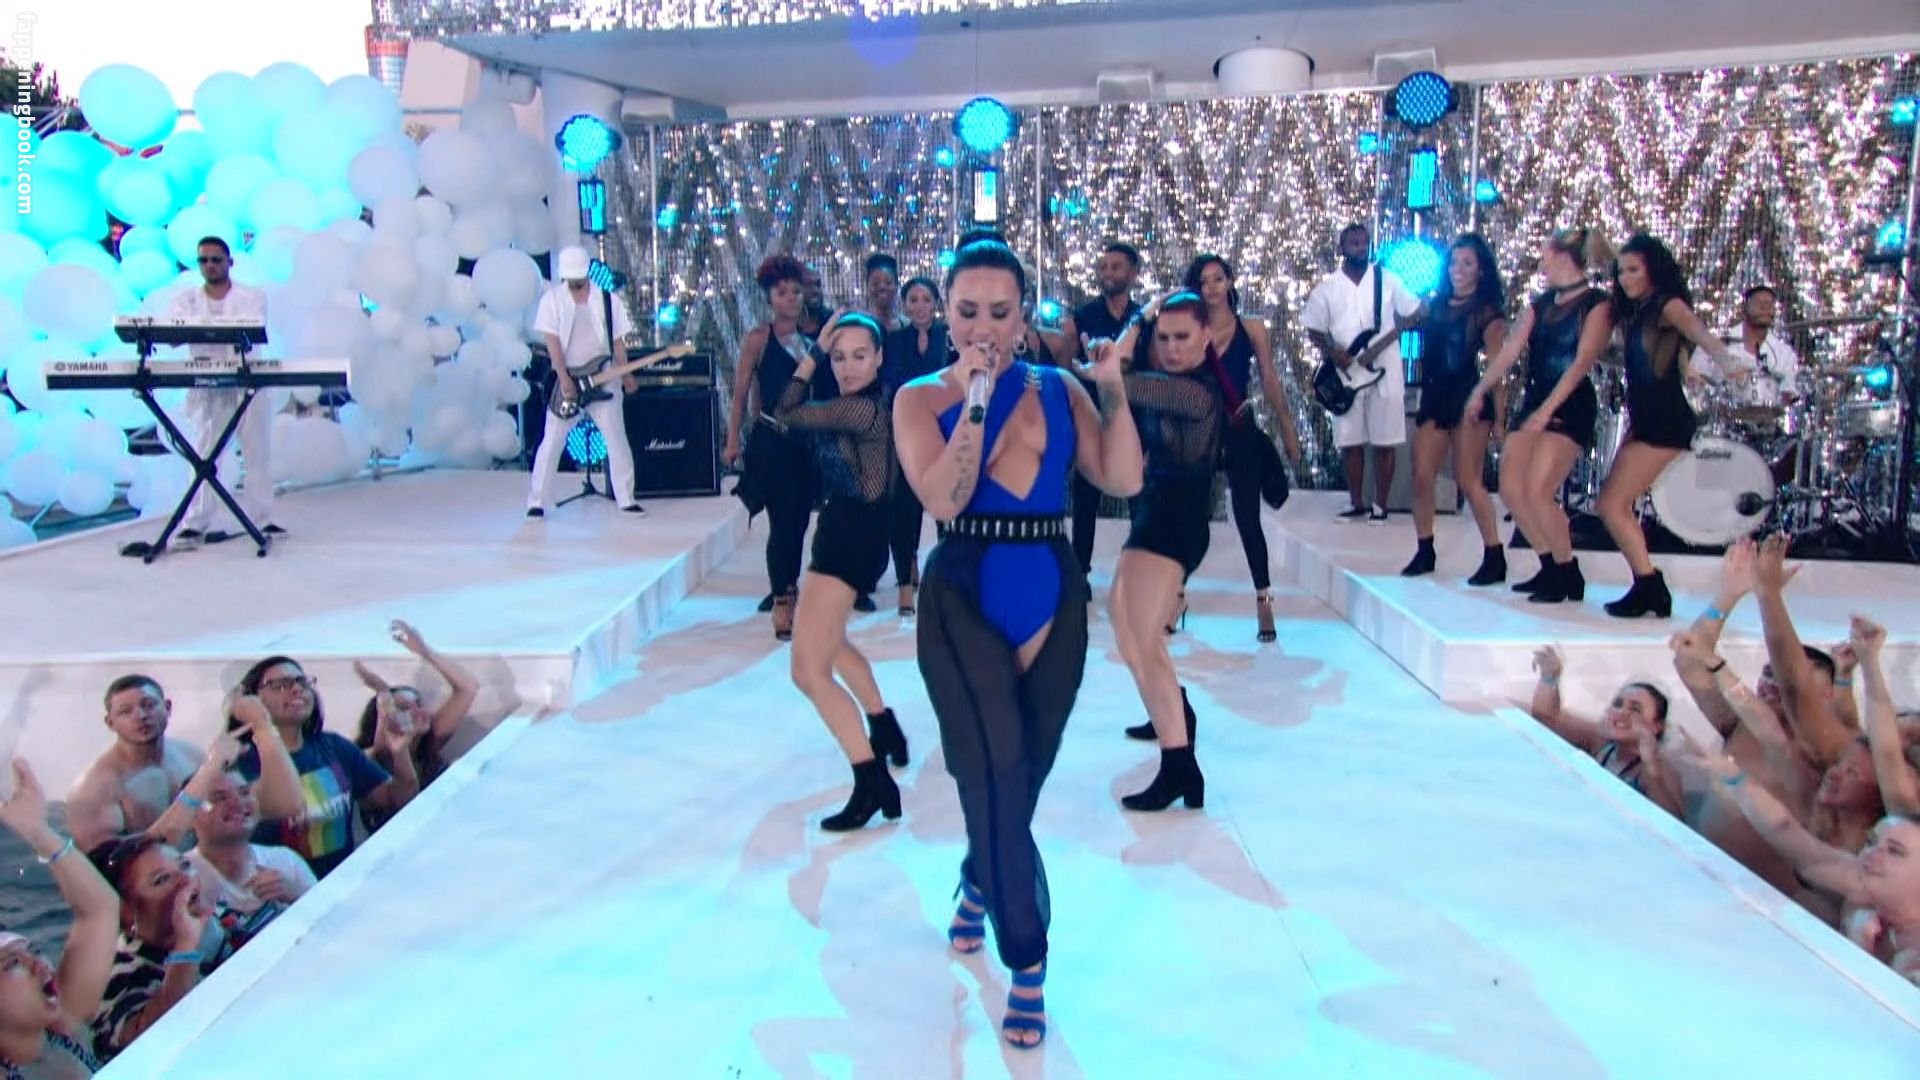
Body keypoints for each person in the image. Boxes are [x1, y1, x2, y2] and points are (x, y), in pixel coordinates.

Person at [893, 235, 1143, 1049]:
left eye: (1000, 312)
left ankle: (978, 880)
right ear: (945, 311)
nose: (983, 328)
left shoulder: (1059, 388)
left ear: (1023, 314)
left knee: (1022, 774)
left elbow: (1123, 478)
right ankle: (1027, 961)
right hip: (964, 590)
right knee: (993, 773)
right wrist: (974, 400)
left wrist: (1113, 390)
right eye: (968, 311)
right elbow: (945, 495)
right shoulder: (917, 399)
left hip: (1051, 588)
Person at [776, 313, 910, 830]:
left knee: (807, 671)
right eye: (838, 357)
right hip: (853, 532)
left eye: (859, 356)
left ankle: (871, 779)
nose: (848, 367)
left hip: (849, 539)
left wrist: (812, 354)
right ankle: (883, 725)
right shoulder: (877, 400)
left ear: (879, 357)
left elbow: (785, 411)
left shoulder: (859, 408)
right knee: (828, 644)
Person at [1102, 293, 1222, 810]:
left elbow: (1113, 376)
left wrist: (1140, 318)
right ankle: (1172, 710)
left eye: (1183, 338)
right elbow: (1117, 371)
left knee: (1143, 639)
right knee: (1127, 630)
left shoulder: (1195, 393)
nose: (1172, 348)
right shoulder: (1169, 384)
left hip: (1176, 523)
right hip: (1155, 514)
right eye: (1165, 338)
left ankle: (1180, 767)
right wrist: (1143, 321)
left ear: (1206, 338)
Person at [1464, 228, 1617, 605]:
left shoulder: (1597, 304)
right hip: (1535, 398)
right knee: (1512, 489)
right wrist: (1480, 389)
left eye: (1546, 253)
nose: (1541, 261)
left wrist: (1547, 411)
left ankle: (1566, 569)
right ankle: (1550, 565)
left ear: (1561, 256)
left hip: (1569, 403)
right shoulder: (1542, 303)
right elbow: (1510, 350)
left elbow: (1581, 363)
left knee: (1538, 490)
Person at [1594, 234, 1733, 618]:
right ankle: (1647, 585)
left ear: (1652, 271)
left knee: (1612, 505)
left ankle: (1650, 585)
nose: (1624, 278)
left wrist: (1726, 361)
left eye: (1633, 270)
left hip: (1664, 419)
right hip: (1647, 418)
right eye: (1621, 272)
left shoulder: (1667, 304)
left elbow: (1696, 330)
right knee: (1612, 504)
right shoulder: (1638, 311)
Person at [1186, 254, 1302, 641]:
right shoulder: (1188, 329)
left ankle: (1264, 600)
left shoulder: (1251, 328)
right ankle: (1175, 595)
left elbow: (1269, 380)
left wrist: (1287, 428)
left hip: (1238, 424)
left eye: (1218, 278)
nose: (1211, 287)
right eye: (1204, 281)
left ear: (1230, 282)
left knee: (1247, 517)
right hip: (1200, 429)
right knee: (1189, 514)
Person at [231, 656, 420, 878]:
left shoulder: (334, 746)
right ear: (254, 701)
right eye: (281, 685)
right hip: (280, 890)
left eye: (302, 682)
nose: (296, 689)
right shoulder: (242, 763)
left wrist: (400, 751)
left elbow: (397, 799)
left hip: (341, 885)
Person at [1401, 234, 1509, 585]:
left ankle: (1494, 553)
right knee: (1421, 476)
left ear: (1481, 270)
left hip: (1469, 396)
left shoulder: (1488, 312)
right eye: (1453, 262)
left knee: (1468, 480)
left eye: (1467, 263)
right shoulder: (1434, 306)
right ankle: (1424, 548)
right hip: (1435, 394)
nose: (1457, 269)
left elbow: (1497, 368)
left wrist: (1499, 418)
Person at [0, 760, 117, 1078]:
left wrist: (39, 832)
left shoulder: (65, 1025)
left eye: (34, 951)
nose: (40, 965)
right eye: (13, 963)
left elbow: (100, 909)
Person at [723, 255, 818, 640]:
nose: (791, 298)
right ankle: (782, 600)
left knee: (799, 523)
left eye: (796, 291)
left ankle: (791, 588)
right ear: (769, 298)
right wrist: (733, 439)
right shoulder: (758, 339)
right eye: (782, 292)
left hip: (804, 444)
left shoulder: (811, 343)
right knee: (781, 524)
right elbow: (741, 394)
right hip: (771, 441)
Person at [1303, 224, 1422, 526]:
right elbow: (1314, 328)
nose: (1359, 246)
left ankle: (1380, 505)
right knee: (1350, 440)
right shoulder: (1328, 288)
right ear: (1341, 247)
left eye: (1363, 242)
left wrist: (1396, 331)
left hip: (1385, 369)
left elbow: (1415, 311)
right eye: (1353, 242)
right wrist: (1333, 352)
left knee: (1385, 440)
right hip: (1346, 374)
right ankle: (1355, 502)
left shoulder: (1388, 280)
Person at [169, 236, 275, 546]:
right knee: (205, 454)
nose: (210, 265)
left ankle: (262, 520)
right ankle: (195, 523)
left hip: (247, 380)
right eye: (204, 260)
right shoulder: (186, 300)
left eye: (216, 259)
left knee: (257, 454)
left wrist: (204, 330)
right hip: (208, 384)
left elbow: (250, 332)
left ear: (230, 262)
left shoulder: (252, 297)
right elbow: (174, 335)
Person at [526, 245, 645, 519]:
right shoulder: (552, 300)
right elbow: (552, 343)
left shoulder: (608, 300)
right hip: (568, 379)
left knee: (615, 437)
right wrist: (563, 378)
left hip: (603, 377)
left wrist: (626, 374)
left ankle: (626, 498)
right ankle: (537, 501)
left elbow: (618, 343)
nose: (574, 283)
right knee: (551, 440)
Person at [1051, 241, 1145, 578]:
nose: (1108, 273)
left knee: (1139, 497)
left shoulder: (1143, 319)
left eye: (1116, 267)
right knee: (1085, 498)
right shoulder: (1083, 317)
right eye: (1103, 267)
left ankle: (1140, 572)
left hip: (1133, 420)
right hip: (1091, 417)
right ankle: (1080, 573)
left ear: (1133, 273)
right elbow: (1067, 368)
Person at [1527, 646, 1683, 818]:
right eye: (1618, 704)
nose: (1622, 712)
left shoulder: (1662, 771)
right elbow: (1545, 719)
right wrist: (1550, 677)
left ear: (1656, 726)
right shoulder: (1600, 742)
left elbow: (1676, 824)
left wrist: (1652, 770)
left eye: (1636, 709)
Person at [351, 619, 482, 822]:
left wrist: (424, 651)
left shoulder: (428, 742)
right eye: (405, 708)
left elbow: (468, 687)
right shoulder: (370, 760)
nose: (419, 711)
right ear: (382, 718)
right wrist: (384, 695)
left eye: (419, 704)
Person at [883, 277, 949, 616]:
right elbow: (890, 385)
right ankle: (905, 585)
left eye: (926, 299)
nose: (920, 306)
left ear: (936, 303)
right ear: (905, 304)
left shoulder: (949, 338)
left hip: (944, 435)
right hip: (906, 433)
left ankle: (945, 581)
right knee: (904, 510)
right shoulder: (894, 341)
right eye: (913, 300)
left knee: (944, 508)